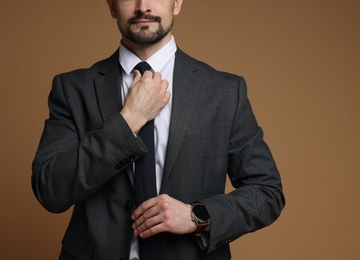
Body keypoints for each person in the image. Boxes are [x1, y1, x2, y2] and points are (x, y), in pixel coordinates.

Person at [32, 0, 285, 259]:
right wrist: (128, 120)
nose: (143, 6)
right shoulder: (73, 89)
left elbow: (267, 192)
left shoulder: (225, 92)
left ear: (177, 3)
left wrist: (196, 215)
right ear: (111, 7)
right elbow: (50, 189)